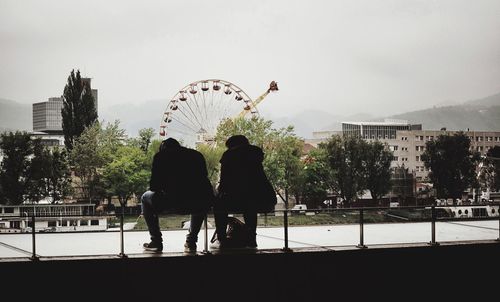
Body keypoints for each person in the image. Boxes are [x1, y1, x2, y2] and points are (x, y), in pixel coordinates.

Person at [141, 138, 214, 253]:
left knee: (145, 197)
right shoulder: (197, 155)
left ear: (163, 148)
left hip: (173, 201)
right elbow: (204, 180)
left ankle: (156, 241)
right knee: (199, 198)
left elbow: (154, 186)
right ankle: (191, 242)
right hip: (199, 201)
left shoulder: (161, 157)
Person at [213, 135, 277, 249]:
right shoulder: (256, 154)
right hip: (264, 198)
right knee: (250, 205)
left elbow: (224, 183)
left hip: (238, 198)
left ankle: (221, 238)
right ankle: (251, 238)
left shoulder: (229, 155)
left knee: (219, 206)